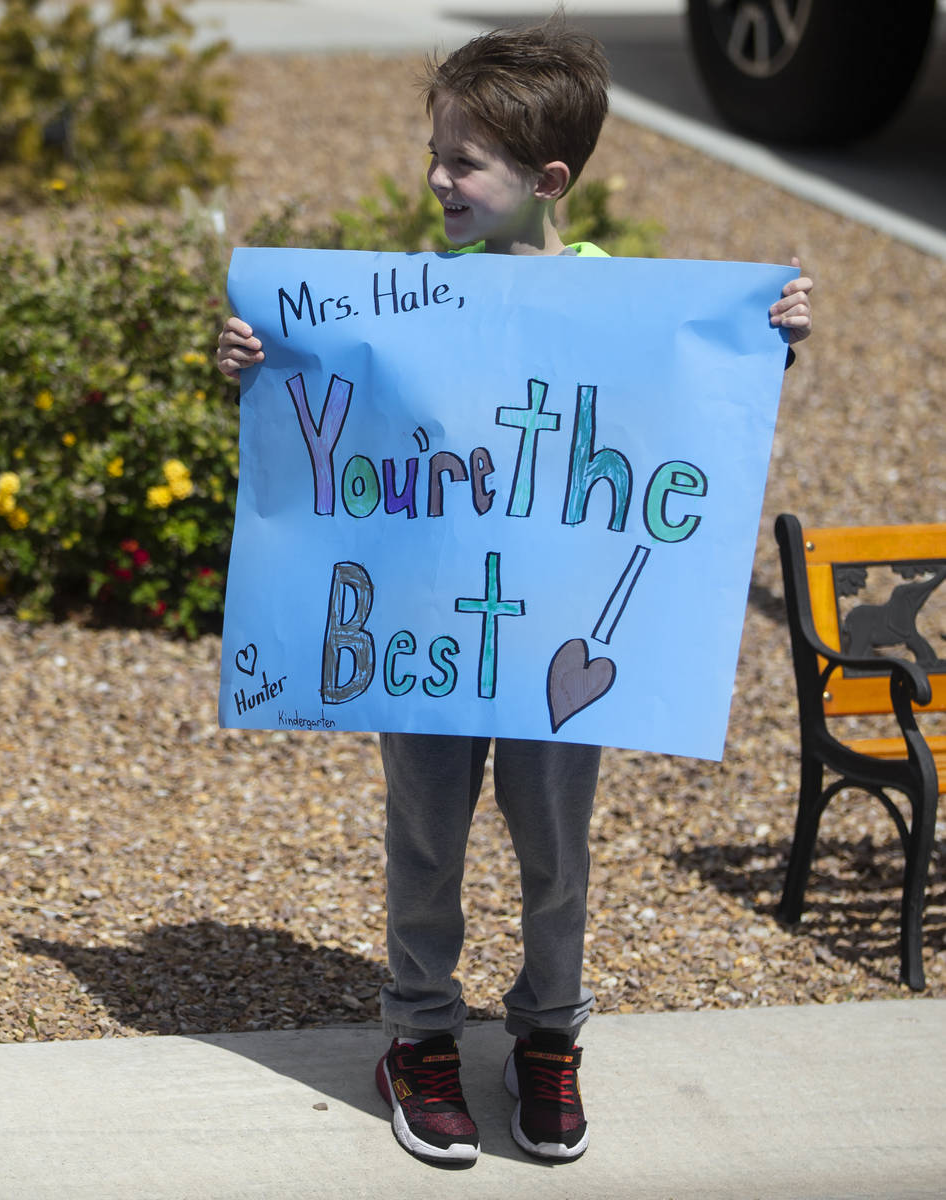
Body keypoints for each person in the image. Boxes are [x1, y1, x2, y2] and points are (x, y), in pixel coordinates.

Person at [216, 17, 814, 1168]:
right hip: (431, 647)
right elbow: (327, 429)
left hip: (556, 647)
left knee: (555, 848)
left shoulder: (625, 304)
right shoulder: (407, 304)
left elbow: (677, 413)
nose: (435, 179)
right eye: (434, 154)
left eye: (461, 162)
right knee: (425, 839)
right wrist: (259, 364)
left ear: (546, 181)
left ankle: (547, 1037)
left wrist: (768, 342)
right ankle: (420, 1037)